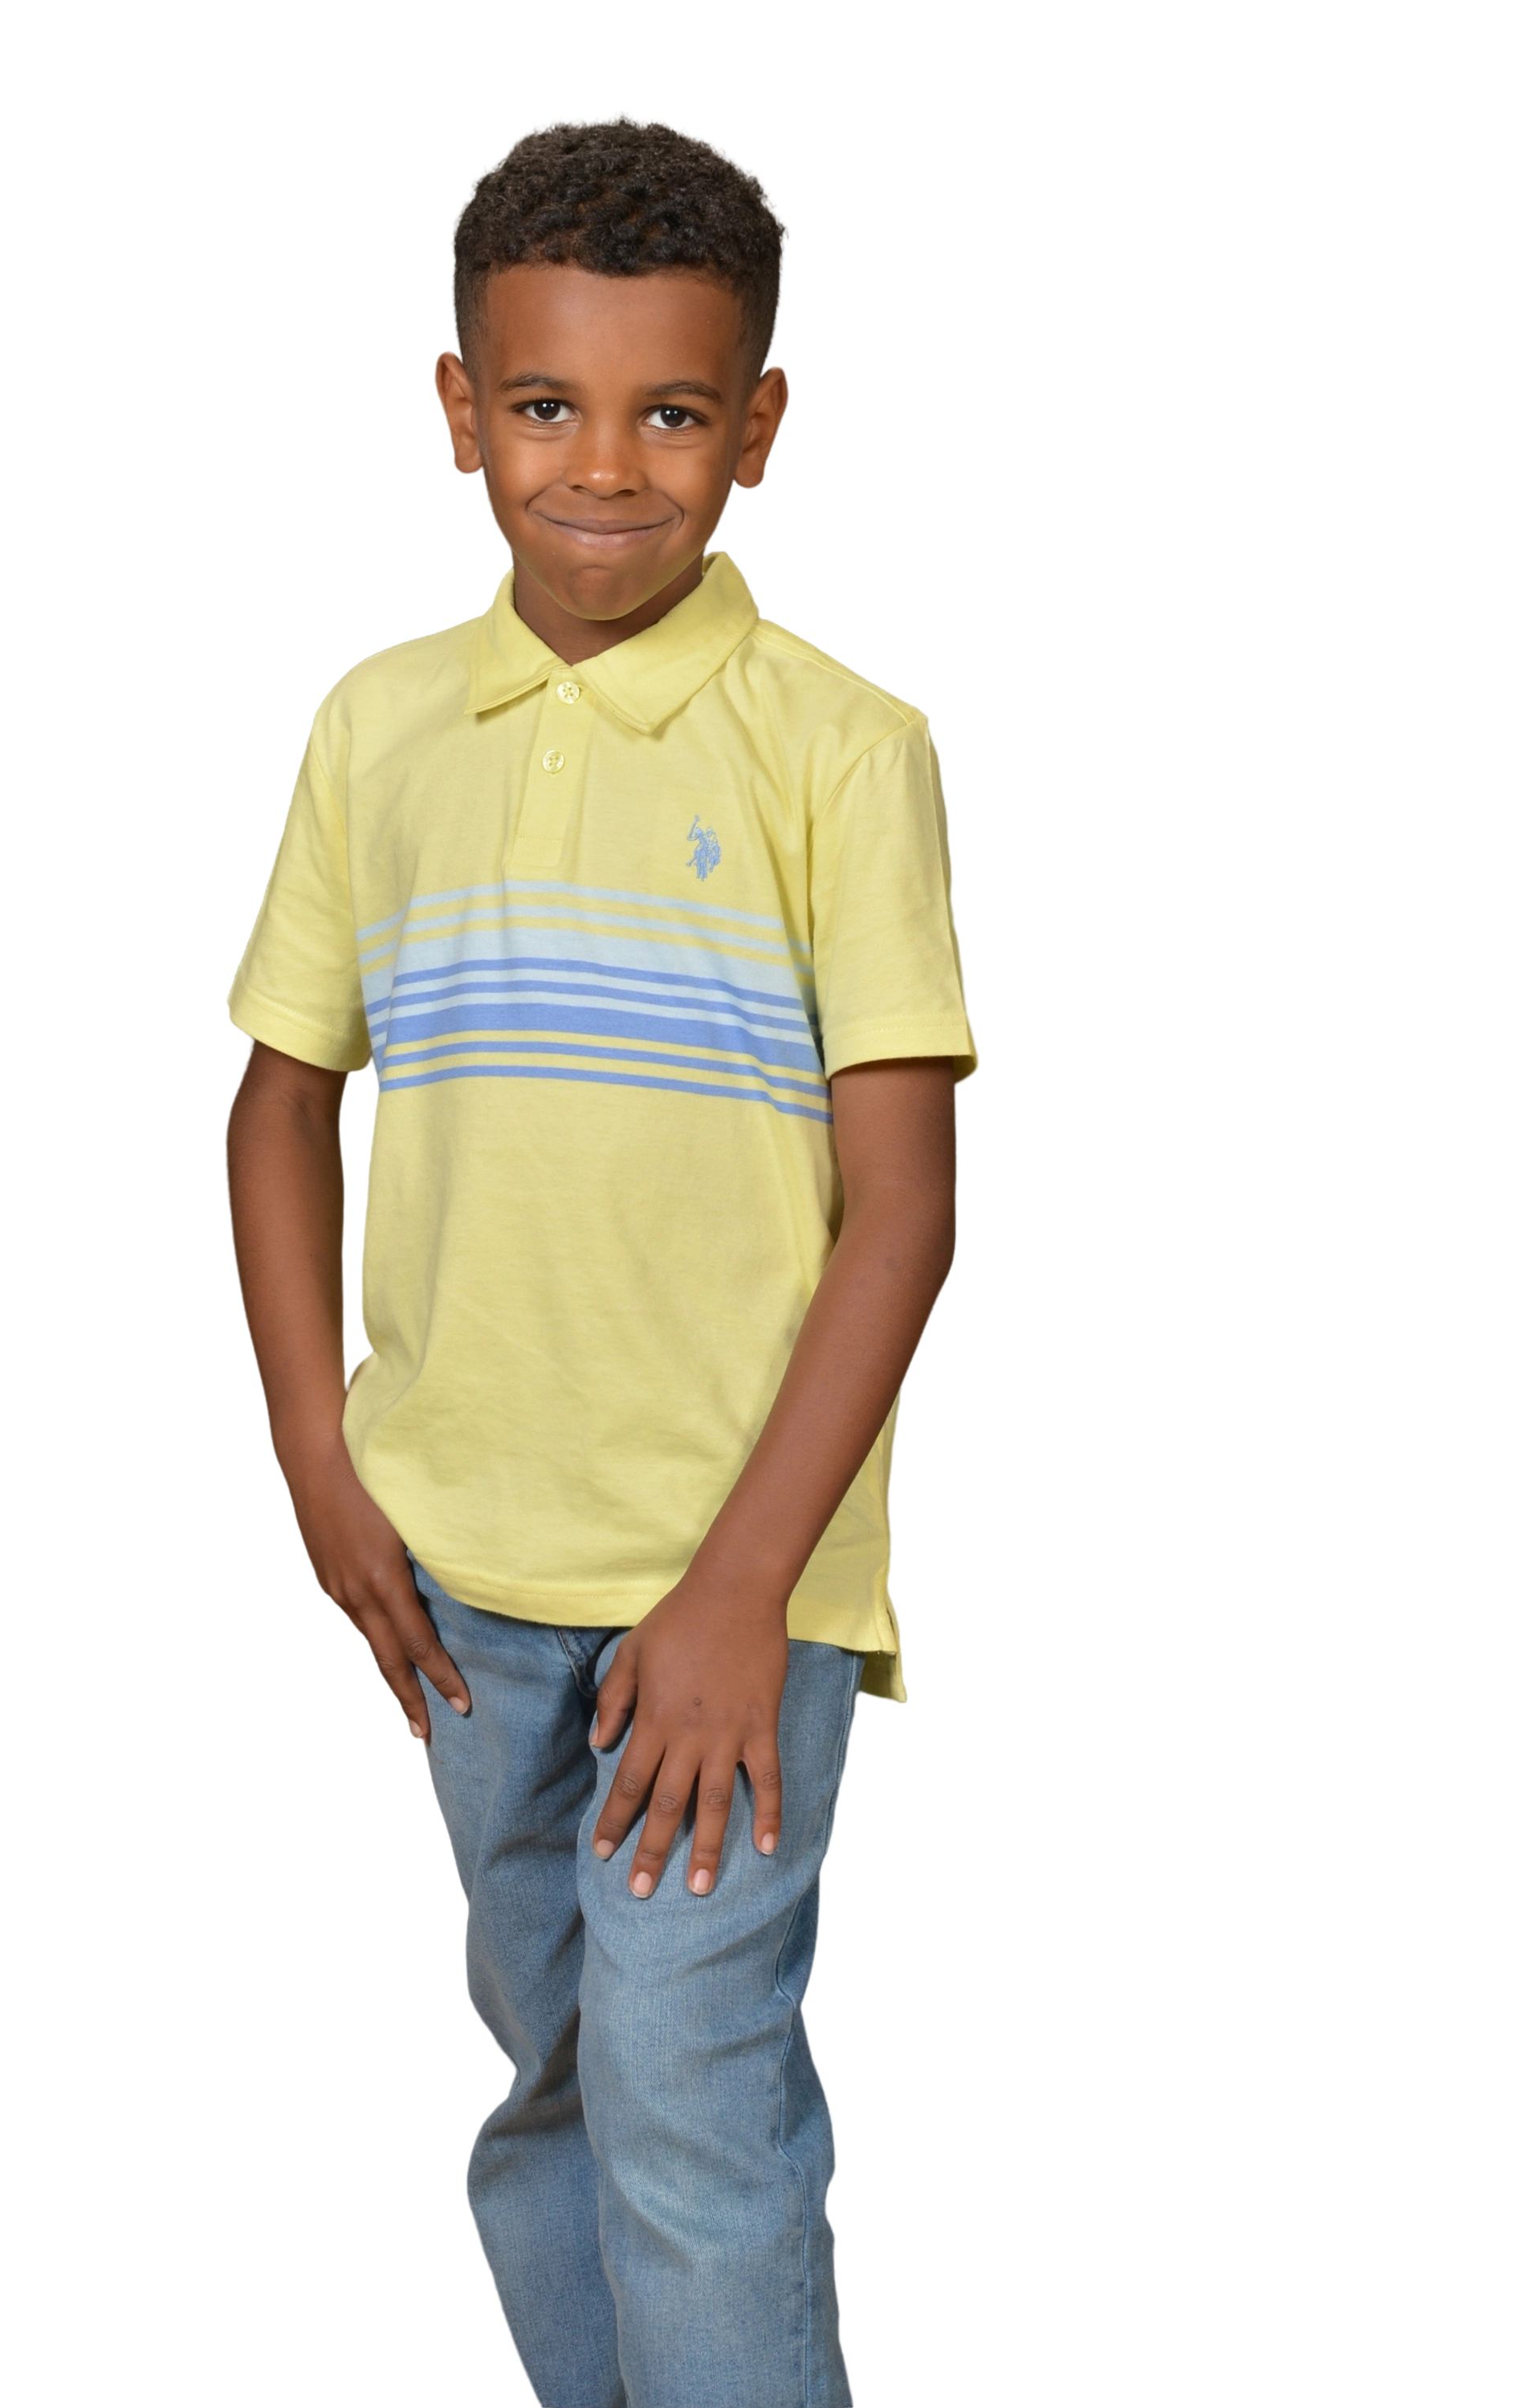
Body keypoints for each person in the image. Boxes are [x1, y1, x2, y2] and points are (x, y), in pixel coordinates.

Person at [222, 108, 978, 2408]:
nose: (608, 469)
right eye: (550, 404)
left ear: (765, 427)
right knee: (557, 2070)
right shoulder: (380, 726)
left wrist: (743, 1588)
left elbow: (908, 1201)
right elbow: (278, 1098)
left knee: (691, 2097)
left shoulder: (839, 748)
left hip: (728, 1580)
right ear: (462, 411)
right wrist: (321, 1450)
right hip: (460, 1568)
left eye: (673, 412)